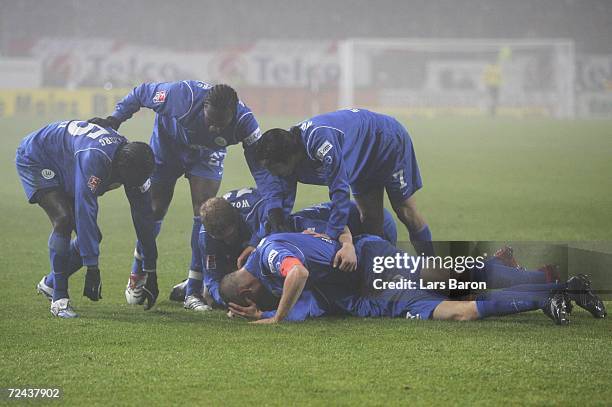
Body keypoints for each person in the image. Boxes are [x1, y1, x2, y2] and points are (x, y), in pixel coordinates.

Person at [88, 81, 283, 301]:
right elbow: (141, 93)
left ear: (234, 113)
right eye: (211, 121)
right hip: (168, 146)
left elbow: (260, 168)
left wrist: (273, 203)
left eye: (221, 125)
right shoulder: (181, 96)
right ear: (203, 109)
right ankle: (139, 271)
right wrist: (115, 119)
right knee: (155, 209)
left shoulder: (246, 122)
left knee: (204, 211)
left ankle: (194, 287)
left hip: (206, 156)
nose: (214, 129)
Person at [221, 233, 606, 325]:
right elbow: (334, 221)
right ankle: (552, 285)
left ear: (247, 288)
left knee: (459, 304)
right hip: (375, 264)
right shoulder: (274, 243)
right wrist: (348, 239)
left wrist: (273, 318)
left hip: (374, 285)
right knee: (458, 285)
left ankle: (547, 291)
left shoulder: (273, 256)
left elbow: (298, 276)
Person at [170, 186, 397, 311]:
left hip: (370, 228)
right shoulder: (207, 234)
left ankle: (428, 275)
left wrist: (347, 245)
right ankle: (191, 285)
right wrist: (227, 299)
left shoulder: (273, 221)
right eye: (222, 238)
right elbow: (214, 276)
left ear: (238, 222)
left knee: (391, 286)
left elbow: (336, 225)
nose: (227, 241)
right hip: (348, 248)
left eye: (230, 235)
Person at [15, 120, 158, 318]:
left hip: (65, 160)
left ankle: (50, 284)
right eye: (131, 182)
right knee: (64, 219)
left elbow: (144, 218)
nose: (135, 185)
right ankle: (59, 299)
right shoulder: (96, 159)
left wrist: (151, 270)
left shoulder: (135, 165)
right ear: (121, 170)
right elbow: (85, 209)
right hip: (37, 156)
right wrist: (93, 268)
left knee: (91, 237)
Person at [254, 108, 433, 256]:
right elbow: (281, 197)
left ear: (289, 158)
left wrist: (331, 235)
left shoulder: (319, 140)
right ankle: (380, 272)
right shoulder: (289, 157)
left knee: (405, 211)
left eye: (273, 168)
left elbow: (339, 190)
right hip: (359, 157)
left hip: (385, 141)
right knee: (370, 218)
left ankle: (433, 268)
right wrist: (275, 224)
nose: (272, 174)